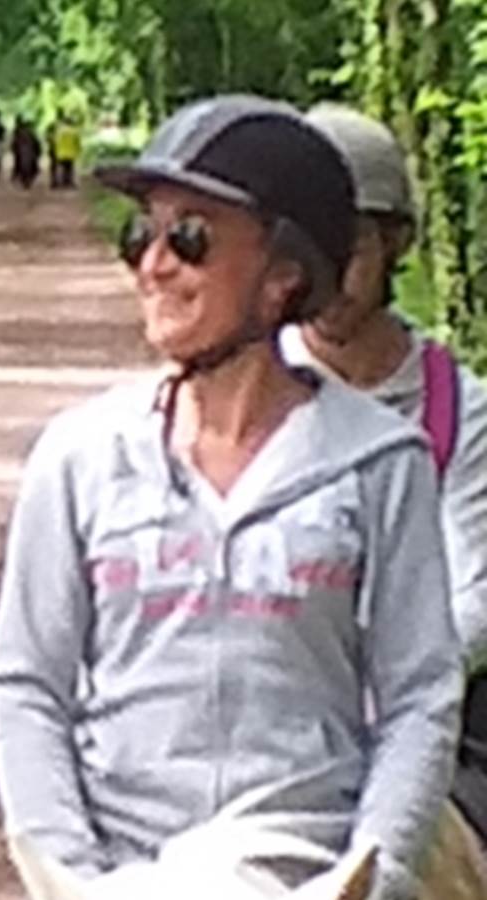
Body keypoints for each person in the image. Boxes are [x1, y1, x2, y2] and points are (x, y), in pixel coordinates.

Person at [0, 94, 462, 899]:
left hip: (304, 871)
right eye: (140, 235)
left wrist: (375, 873)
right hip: (122, 876)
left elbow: (419, 696)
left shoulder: (379, 464)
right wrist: (70, 873)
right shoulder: (80, 459)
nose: (153, 264)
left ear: (284, 274)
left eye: (191, 238)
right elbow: (26, 684)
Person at [286, 102, 487, 879]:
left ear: (396, 242)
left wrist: (385, 689)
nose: (329, 272)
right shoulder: (245, 392)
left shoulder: (463, 410)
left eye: (352, 245)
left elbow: (476, 591)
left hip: (436, 715)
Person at [51, 117, 83, 188]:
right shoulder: (75, 132)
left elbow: (55, 142)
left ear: (64, 123)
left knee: (61, 168)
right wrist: (79, 150)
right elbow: (78, 143)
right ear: (71, 123)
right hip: (71, 153)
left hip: (61, 153)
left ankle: (61, 182)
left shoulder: (59, 132)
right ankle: (69, 182)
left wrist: (55, 150)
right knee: (70, 168)